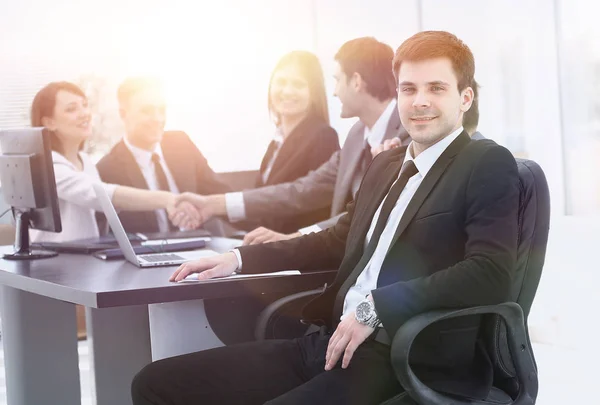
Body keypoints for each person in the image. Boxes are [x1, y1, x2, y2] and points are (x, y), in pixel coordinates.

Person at [131, 31, 520, 405]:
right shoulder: (386, 164)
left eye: (436, 88)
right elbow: (335, 239)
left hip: (402, 356)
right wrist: (237, 259)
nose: (420, 101)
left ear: (465, 97)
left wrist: (377, 307)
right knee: (154, 384)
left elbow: (491, 272)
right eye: (409, 88)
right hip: (328, 341)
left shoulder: (485, 163)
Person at [176, 37, 410, 244]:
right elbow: (301, 190)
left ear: (356, 82)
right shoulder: (357, 135)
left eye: (337, 80)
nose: (335, 92)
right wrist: (214, 204)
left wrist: (295, 237)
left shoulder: (409, 133)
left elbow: (367, 212)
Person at [28, 81, 198, 243]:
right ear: (49, 122)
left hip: (83, 257)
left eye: (85, 105)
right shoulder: (48, 166)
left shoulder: (85, 161)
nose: (84, 113)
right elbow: (101, 196)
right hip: (54, 262)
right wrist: (169, 200)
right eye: (71, 109)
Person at [96, 77, 230, 235]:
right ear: (123, 114)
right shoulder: (107, 168)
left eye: (161, 110)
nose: (158, 119)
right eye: (147, 111)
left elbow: (220, 193)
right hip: (148, 253)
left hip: (200, 247)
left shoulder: (181, 144)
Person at [243, 50, 339, 233]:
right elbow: (261, 206)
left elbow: (308, 202)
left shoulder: (323, 136)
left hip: (293, 248)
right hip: (264, 244)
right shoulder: (275, 143)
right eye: (281, 82)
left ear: (314, 92)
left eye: (298, 84)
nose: (287, 91)